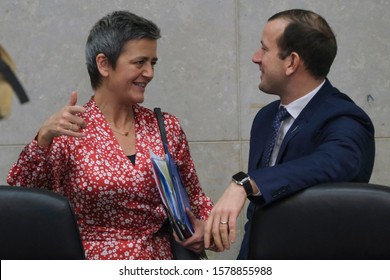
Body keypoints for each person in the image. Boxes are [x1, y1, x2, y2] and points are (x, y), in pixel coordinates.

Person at [7, 10, 213, 260]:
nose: (150, 72)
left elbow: (196, 200)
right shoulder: (69, 130)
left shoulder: (165, 127)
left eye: (153, 63)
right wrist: (43, 140)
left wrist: (207, 230)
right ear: (104, 64)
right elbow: (22, 202)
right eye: (140, 62)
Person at [204, 9, 375, 259]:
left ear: (291, 62)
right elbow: (258, 216)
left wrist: (247, 183)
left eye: (264, 49)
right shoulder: (265, 118)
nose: (255, 57)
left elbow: (336, 162)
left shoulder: (344, 118)